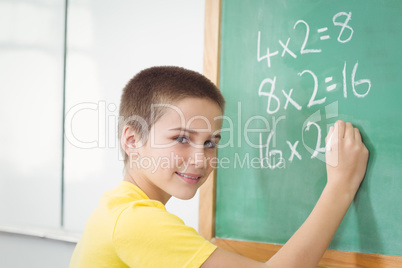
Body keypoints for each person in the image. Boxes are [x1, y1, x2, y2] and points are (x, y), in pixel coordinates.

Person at [69, 66, 369, 268]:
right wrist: (340, 185)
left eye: (211, 142)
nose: (201, 159)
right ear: (132, 140)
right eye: (182, 138)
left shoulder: (118, 208)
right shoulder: (134, 222)